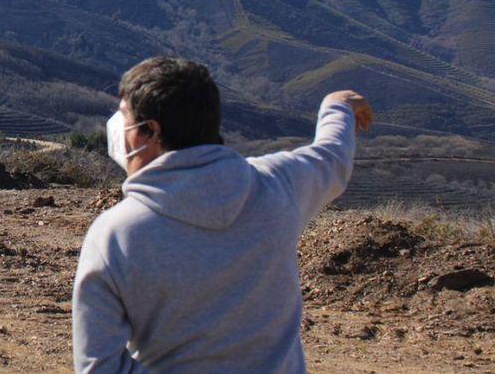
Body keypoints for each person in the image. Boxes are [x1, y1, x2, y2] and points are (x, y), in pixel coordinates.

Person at [72, 56, 373, 373]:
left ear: (148, 131)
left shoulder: (115, 235)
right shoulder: (277, 186)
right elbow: (331, 157)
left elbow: (99, 368)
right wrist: (336, 106)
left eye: (124, 119)